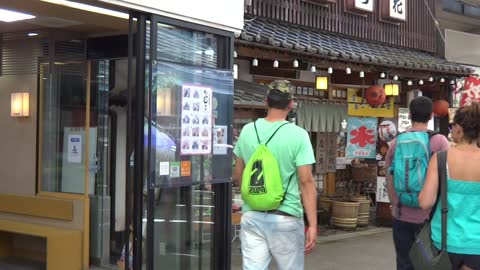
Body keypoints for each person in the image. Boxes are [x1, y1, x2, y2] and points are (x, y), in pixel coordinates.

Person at [233, 80, 317, 270]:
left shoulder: (247, 131)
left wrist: (254, 196)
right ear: (291, 104)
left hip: (252, 215)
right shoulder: (298, 135)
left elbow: (239, 172)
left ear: (266, 102)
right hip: (285, 216)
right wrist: (312, 225)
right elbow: (306, 181)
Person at [385, 96, 450, 270]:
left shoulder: (396, 142)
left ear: (410, 114)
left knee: (404, 262)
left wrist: (394, 204)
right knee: (430, 264)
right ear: (430, 116)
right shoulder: (439, 141)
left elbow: (389, 177)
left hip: (401, 214)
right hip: (429, 216)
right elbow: (447, 177)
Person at [419, 102, 480, 270]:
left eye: (452, 126)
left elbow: (425, 202)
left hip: (445, 241)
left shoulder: (441, 159)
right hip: (477, 244)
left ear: (459, 128)